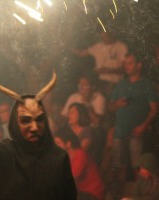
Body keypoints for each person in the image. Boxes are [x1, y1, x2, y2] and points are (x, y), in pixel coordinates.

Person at [109, 51, 159, 198]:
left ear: (139, 65)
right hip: (119, 132)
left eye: (130, 63)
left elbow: (155, 108)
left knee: (139, 169)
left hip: (137, 133)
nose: (126, 66)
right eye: (125, 63)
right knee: (120, 167)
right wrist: (116, 104)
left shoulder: (147, 85)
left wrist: (143, 126)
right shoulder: (121, 84)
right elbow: (110, 107)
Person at [54, 131, 104, 200]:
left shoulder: (80, 154)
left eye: (58, 143)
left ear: (68, 144)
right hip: (80, 192)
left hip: (92, 194)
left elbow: (72, 177)